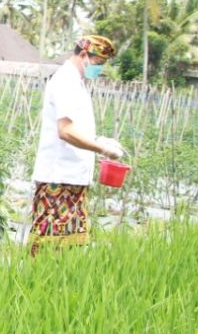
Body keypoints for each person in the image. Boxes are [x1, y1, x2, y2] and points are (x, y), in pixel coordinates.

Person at [28, 34, 125, 256]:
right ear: (83, 55)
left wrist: (98, 140)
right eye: (98, 64)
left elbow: (76, 127)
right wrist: (101, 148)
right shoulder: (65, 81)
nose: (98, 70)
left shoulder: (77, 82)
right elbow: (66, 131)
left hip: (72, 178)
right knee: (48, 246)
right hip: (58, 179)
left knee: (68, 248)